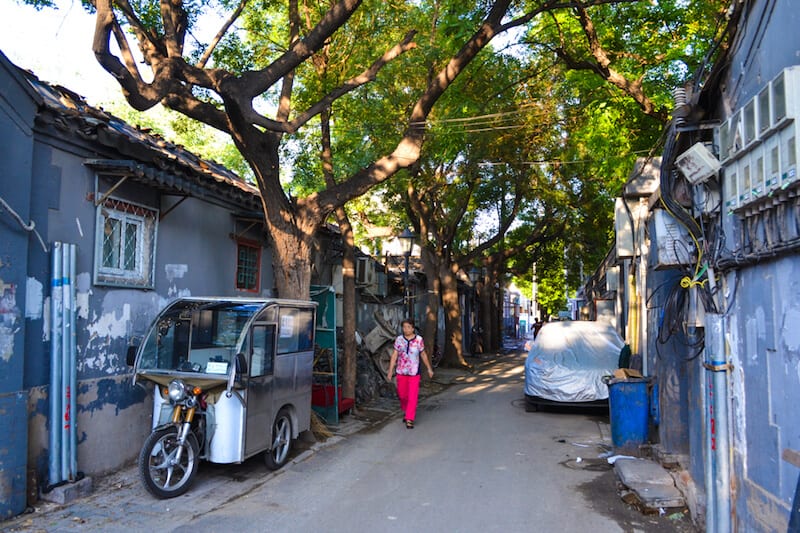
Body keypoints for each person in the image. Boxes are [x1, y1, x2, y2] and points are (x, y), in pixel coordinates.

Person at [387, 318, 434, 429]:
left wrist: (429, 369)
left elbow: (423, 355)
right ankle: (406, 410)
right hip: (401, 371)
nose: (406, 329)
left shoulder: (418, 340)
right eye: (404, 327)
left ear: (413, 328)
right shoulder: (399, 340)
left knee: (413, 396)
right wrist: (390, 371)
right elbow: (394, 355)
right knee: (402, 395)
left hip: (414, 372)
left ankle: (409, 419)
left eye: (408, 327)